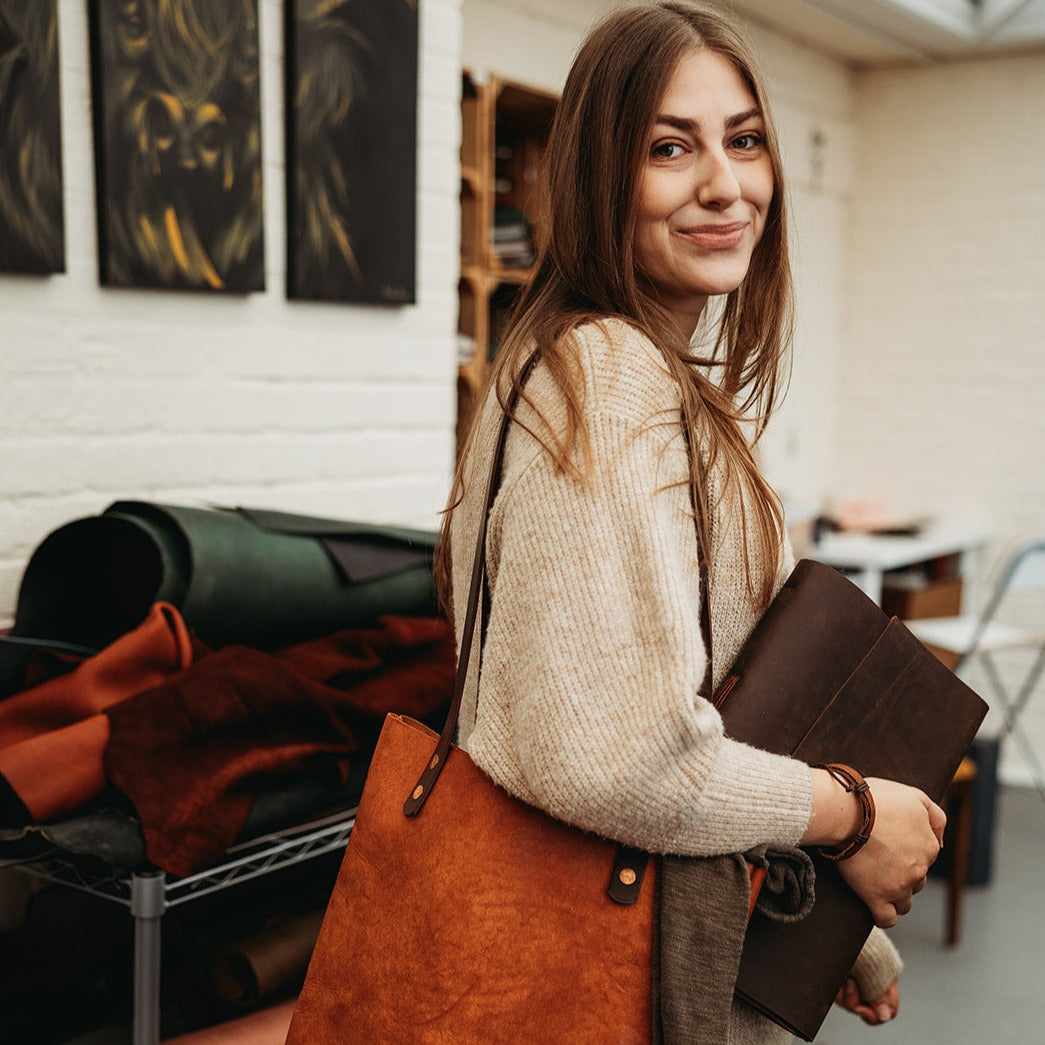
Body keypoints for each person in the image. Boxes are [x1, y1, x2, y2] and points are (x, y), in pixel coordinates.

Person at [437, 2, 946, 1041]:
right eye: (670, 147)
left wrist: (833, 920)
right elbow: (619, 757)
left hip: (676, 927)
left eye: (744, 139)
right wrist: (851, 815)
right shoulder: (603, 376)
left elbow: (720, 707)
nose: (726, 183)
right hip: (614, 975)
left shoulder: (598, 371)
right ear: (596, 177)